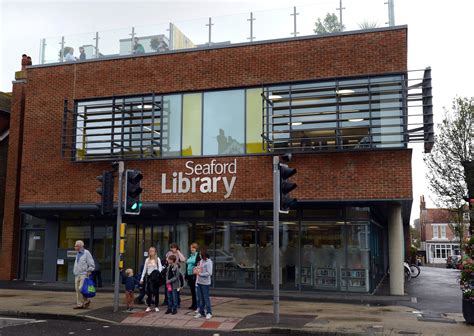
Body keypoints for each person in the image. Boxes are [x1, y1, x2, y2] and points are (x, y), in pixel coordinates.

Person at [73, 240, 95, 309]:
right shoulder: (77, 254)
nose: (74, 247)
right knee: (77, 290)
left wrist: (89, 270)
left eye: (76, 246)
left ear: (80, 246)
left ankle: (86, 301)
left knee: (81, 289)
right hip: (77, 274)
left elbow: (91, 264)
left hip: (83, 274)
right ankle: (80, 304)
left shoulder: (86, 253)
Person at [140, 246, 163, 312]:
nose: (151, 252)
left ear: (155, 252)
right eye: (150, 251)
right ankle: (149, 306)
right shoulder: (147, 260)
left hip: (155, 278)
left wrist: (157, 273)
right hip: (149, 277)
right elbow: (144, 269)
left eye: (152, 251)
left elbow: (160, 267)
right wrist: (142, 278)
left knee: (156, 292)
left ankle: (156, 306)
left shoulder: (157, 259)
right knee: (149, 292)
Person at [194, 247, 213, 320]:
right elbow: (199, 268)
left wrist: (200, 274)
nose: (199, 256)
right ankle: (201, 312)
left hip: (205, 283)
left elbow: (209, 273)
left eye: (200, 254)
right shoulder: (201, 261)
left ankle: (209, 312)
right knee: (200, 298)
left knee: (206, 298)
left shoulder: (209, 262)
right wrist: (196, 269)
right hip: (199, 282)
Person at [185, 242, 201, 310]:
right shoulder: (190, 255)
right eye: (191, 247)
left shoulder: (198, 255)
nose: (192, 249)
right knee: (192, 291)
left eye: (193, 247)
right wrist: (186, 275)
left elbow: (198, 265)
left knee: (196, 291)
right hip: (189, 275)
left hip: (194, 275)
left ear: (196, 248)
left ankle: (197, 305)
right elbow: (187, 265)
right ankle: (193, 304)